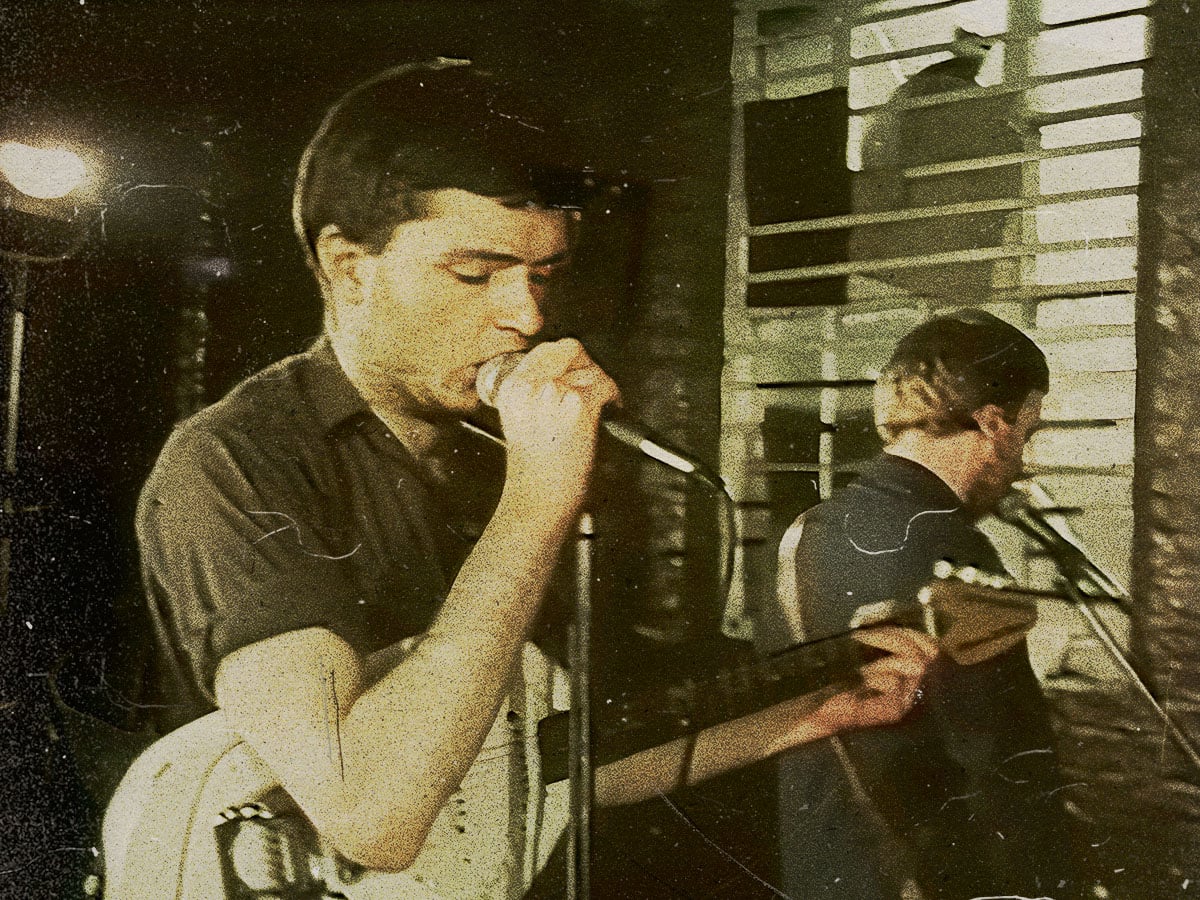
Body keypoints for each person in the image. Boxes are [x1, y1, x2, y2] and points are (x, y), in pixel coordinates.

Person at [120, 59, 935, 895]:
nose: (527, 317)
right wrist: (538, 505)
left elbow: (531, 773)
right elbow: (371, 811)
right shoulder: (233, 464)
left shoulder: (493, 456)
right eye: (474, 274)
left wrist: (802, 714)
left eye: (542, 275)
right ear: (348, 267)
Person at [770, 310, 1078, 899]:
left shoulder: (809, 528)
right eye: (1028, 434)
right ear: (994, 424)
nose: (1025, 461)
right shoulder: (957, 549)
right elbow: (1001, 759)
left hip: (824, 867)